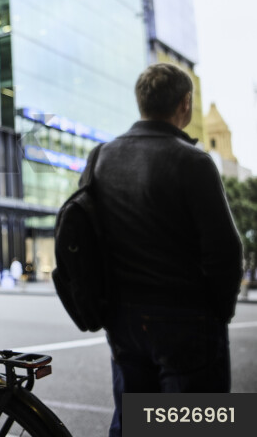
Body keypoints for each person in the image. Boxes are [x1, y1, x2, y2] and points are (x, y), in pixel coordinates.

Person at [90, 63, 243, 436]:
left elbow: (87, 239)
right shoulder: (193, 161)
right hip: (186, 322)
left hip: (124, 322)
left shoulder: (101, 158)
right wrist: (216, 312)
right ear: (185, 104)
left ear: (141, 103)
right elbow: (225, 250)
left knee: (134, 423)